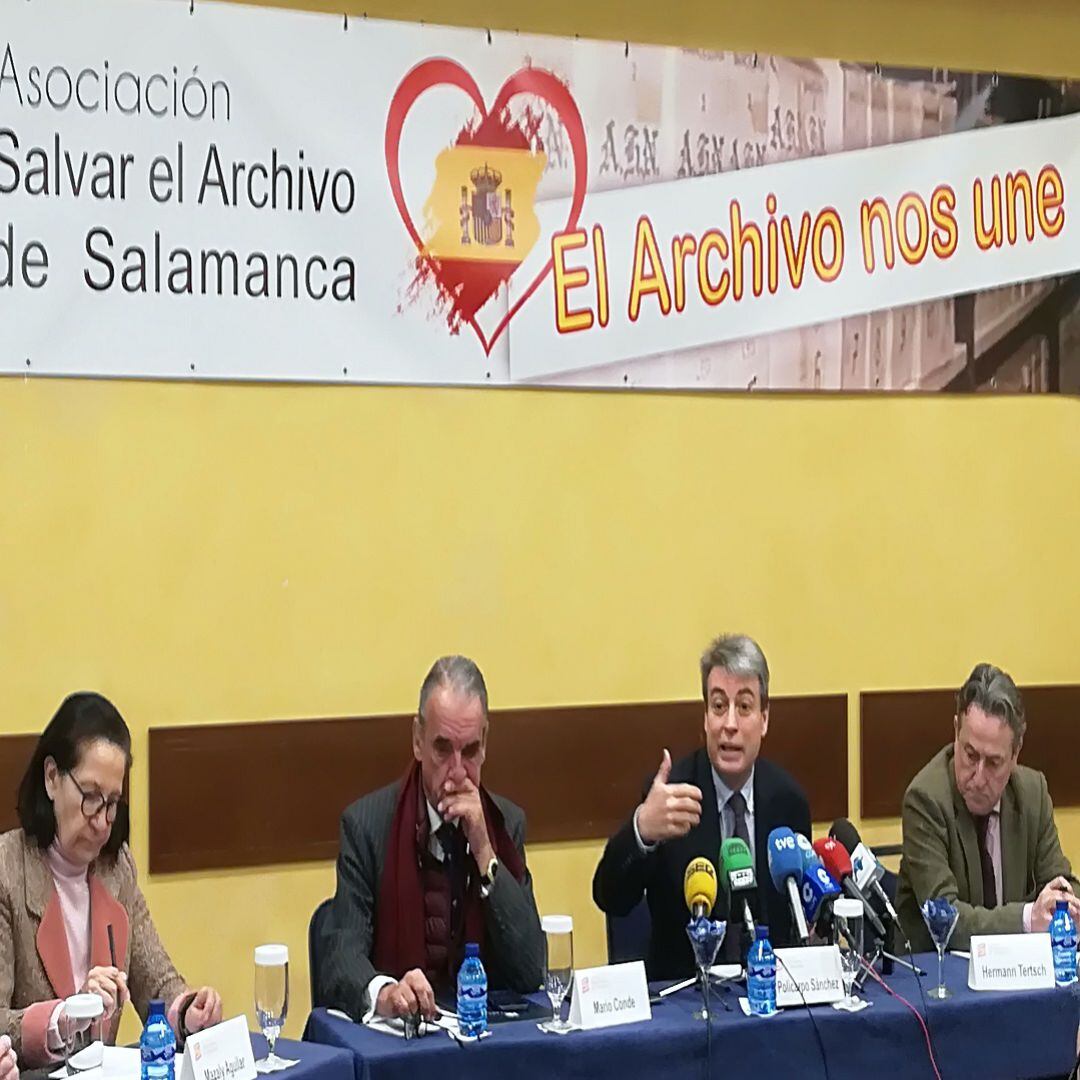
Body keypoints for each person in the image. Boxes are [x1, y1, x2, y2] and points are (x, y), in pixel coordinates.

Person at [0, 693, 223, 1068]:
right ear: (52, 777)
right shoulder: (7, 870)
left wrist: (187, 1012)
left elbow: (157, 981)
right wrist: (65, 1016)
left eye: (113, 802)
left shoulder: (116, 868)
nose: (103, 820)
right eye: (91, 797)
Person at [318, 656, 544, 1022]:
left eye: (469, 751)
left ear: (485, 744)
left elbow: (531, 969)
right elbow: (340, 956)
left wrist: (485, 850)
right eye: (443, 748)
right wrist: (386, 992)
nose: (457, 770)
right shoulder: (366, 826)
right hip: (402, 1046)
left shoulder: (505, 825)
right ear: (418, 741)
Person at [593, 634, 812, 979]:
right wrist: (642, 830)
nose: (730, 725)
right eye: (718, 706)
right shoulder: (671, 797)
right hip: (687, 1004)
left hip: (769, 1002)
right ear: (705, 717)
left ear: (764, 718)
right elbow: (610, 898)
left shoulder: (789, 802)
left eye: (744, 706)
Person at [897, 663, 1080, 951]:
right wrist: (1028, 919)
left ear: (1015, 753)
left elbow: (1060, 882)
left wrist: (1064, 904)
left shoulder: (1033, 793)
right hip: (938, 980)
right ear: (956, 730)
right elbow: (947, 921)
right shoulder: (925, 800)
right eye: (970, 755)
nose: (978, 777)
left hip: (1018, 975)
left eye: (993, 762)